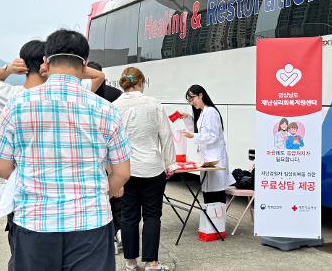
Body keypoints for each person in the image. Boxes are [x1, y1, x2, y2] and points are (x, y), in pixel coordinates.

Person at [0, 29, 131, 271]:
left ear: (45, 61)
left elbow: (0, 167)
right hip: (92, 222)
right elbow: (122, 173)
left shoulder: (17, 104)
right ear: (85, 63)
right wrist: (99, 193)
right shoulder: (105, 109)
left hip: (34, 222)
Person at [0, 40, 46, 271]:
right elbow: (96, 78)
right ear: (46, 64)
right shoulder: (67, 97)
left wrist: (8, 70)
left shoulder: (11, 97)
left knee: (23, 257)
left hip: (21, 196)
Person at [113, 67, 177, 271]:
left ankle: (130, 262)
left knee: (129, 215)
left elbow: (110, 141)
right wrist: (170, 163)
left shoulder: (113, 107)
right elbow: (166, 136)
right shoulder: (154, 104)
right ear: (141, 83)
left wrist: (111, 172)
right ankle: (152, 263)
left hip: (125, 169)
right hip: (152, 168)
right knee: (152, 215)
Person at [87, 61, 123, 252]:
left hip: (96, 158)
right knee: (116, 201)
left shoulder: (81, 97)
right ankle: (117, 233)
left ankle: (112, 235)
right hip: (111, 156)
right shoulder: (114, 94)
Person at [181, 85, 236, 204]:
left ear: (201, 95)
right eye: (189, 100)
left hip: (215, 161)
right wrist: (188, 119)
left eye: (192, 99)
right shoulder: (202, 113)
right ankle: (210, 221)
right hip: (208, 161)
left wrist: (193, 136)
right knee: (209, 195)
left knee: (215, 196)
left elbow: (212, 136)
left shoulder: (211, 112)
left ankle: (215, 221)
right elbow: (199, 132)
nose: (191, 103)